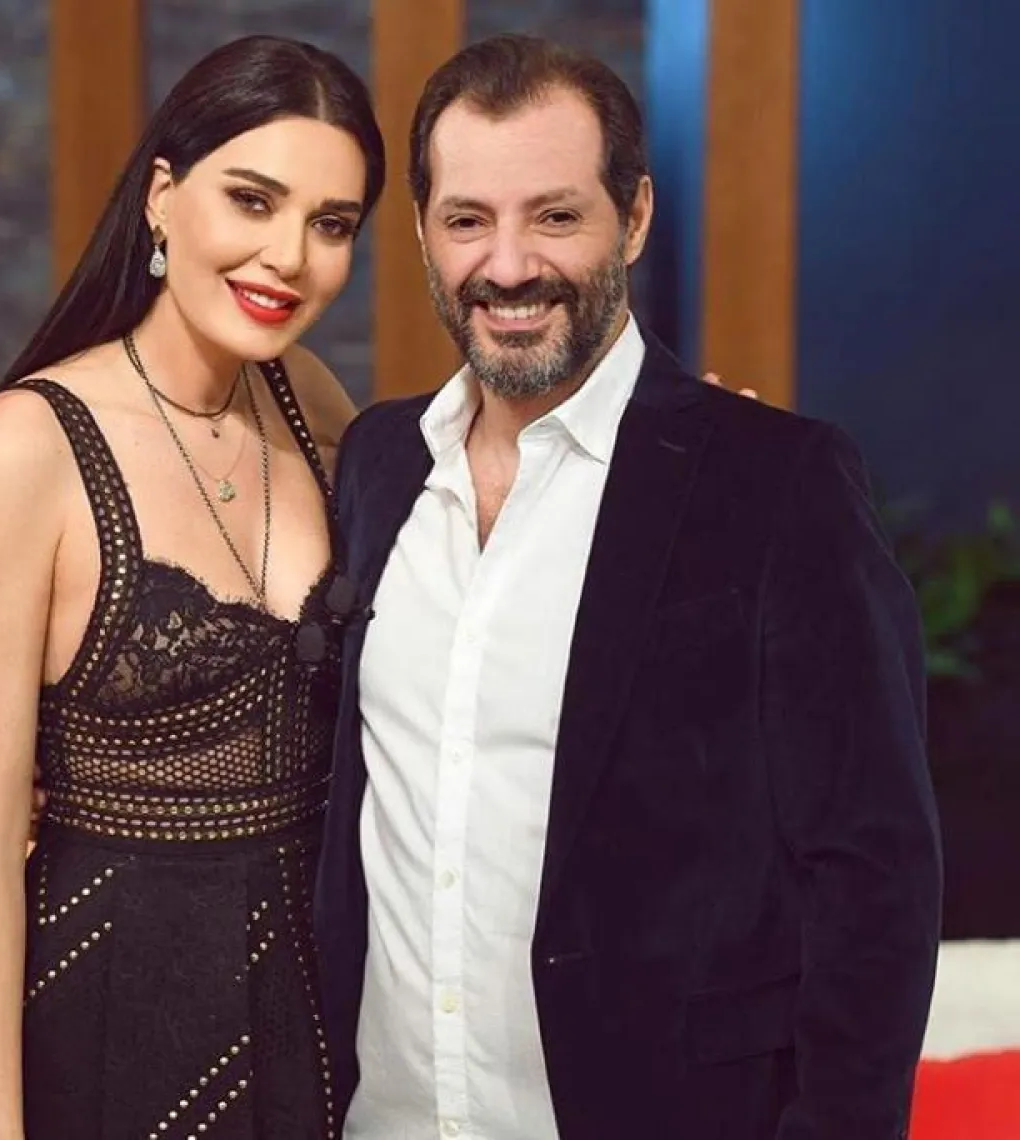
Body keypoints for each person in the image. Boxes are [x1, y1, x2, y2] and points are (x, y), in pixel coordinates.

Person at [314, 34, 943, 1140]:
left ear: (635, 217)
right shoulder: (376, 464)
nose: (509, 265)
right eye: (468, 220)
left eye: (556, 216)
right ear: (421, 232)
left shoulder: (776, 481)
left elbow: (874, 874)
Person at [0, 35, 384, 1140]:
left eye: (332, 224)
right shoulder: (26, 446)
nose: (289, 257)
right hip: (104, 1015)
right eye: (253, 200)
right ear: (163, 196)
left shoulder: (310, 400)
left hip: (309, 1013)